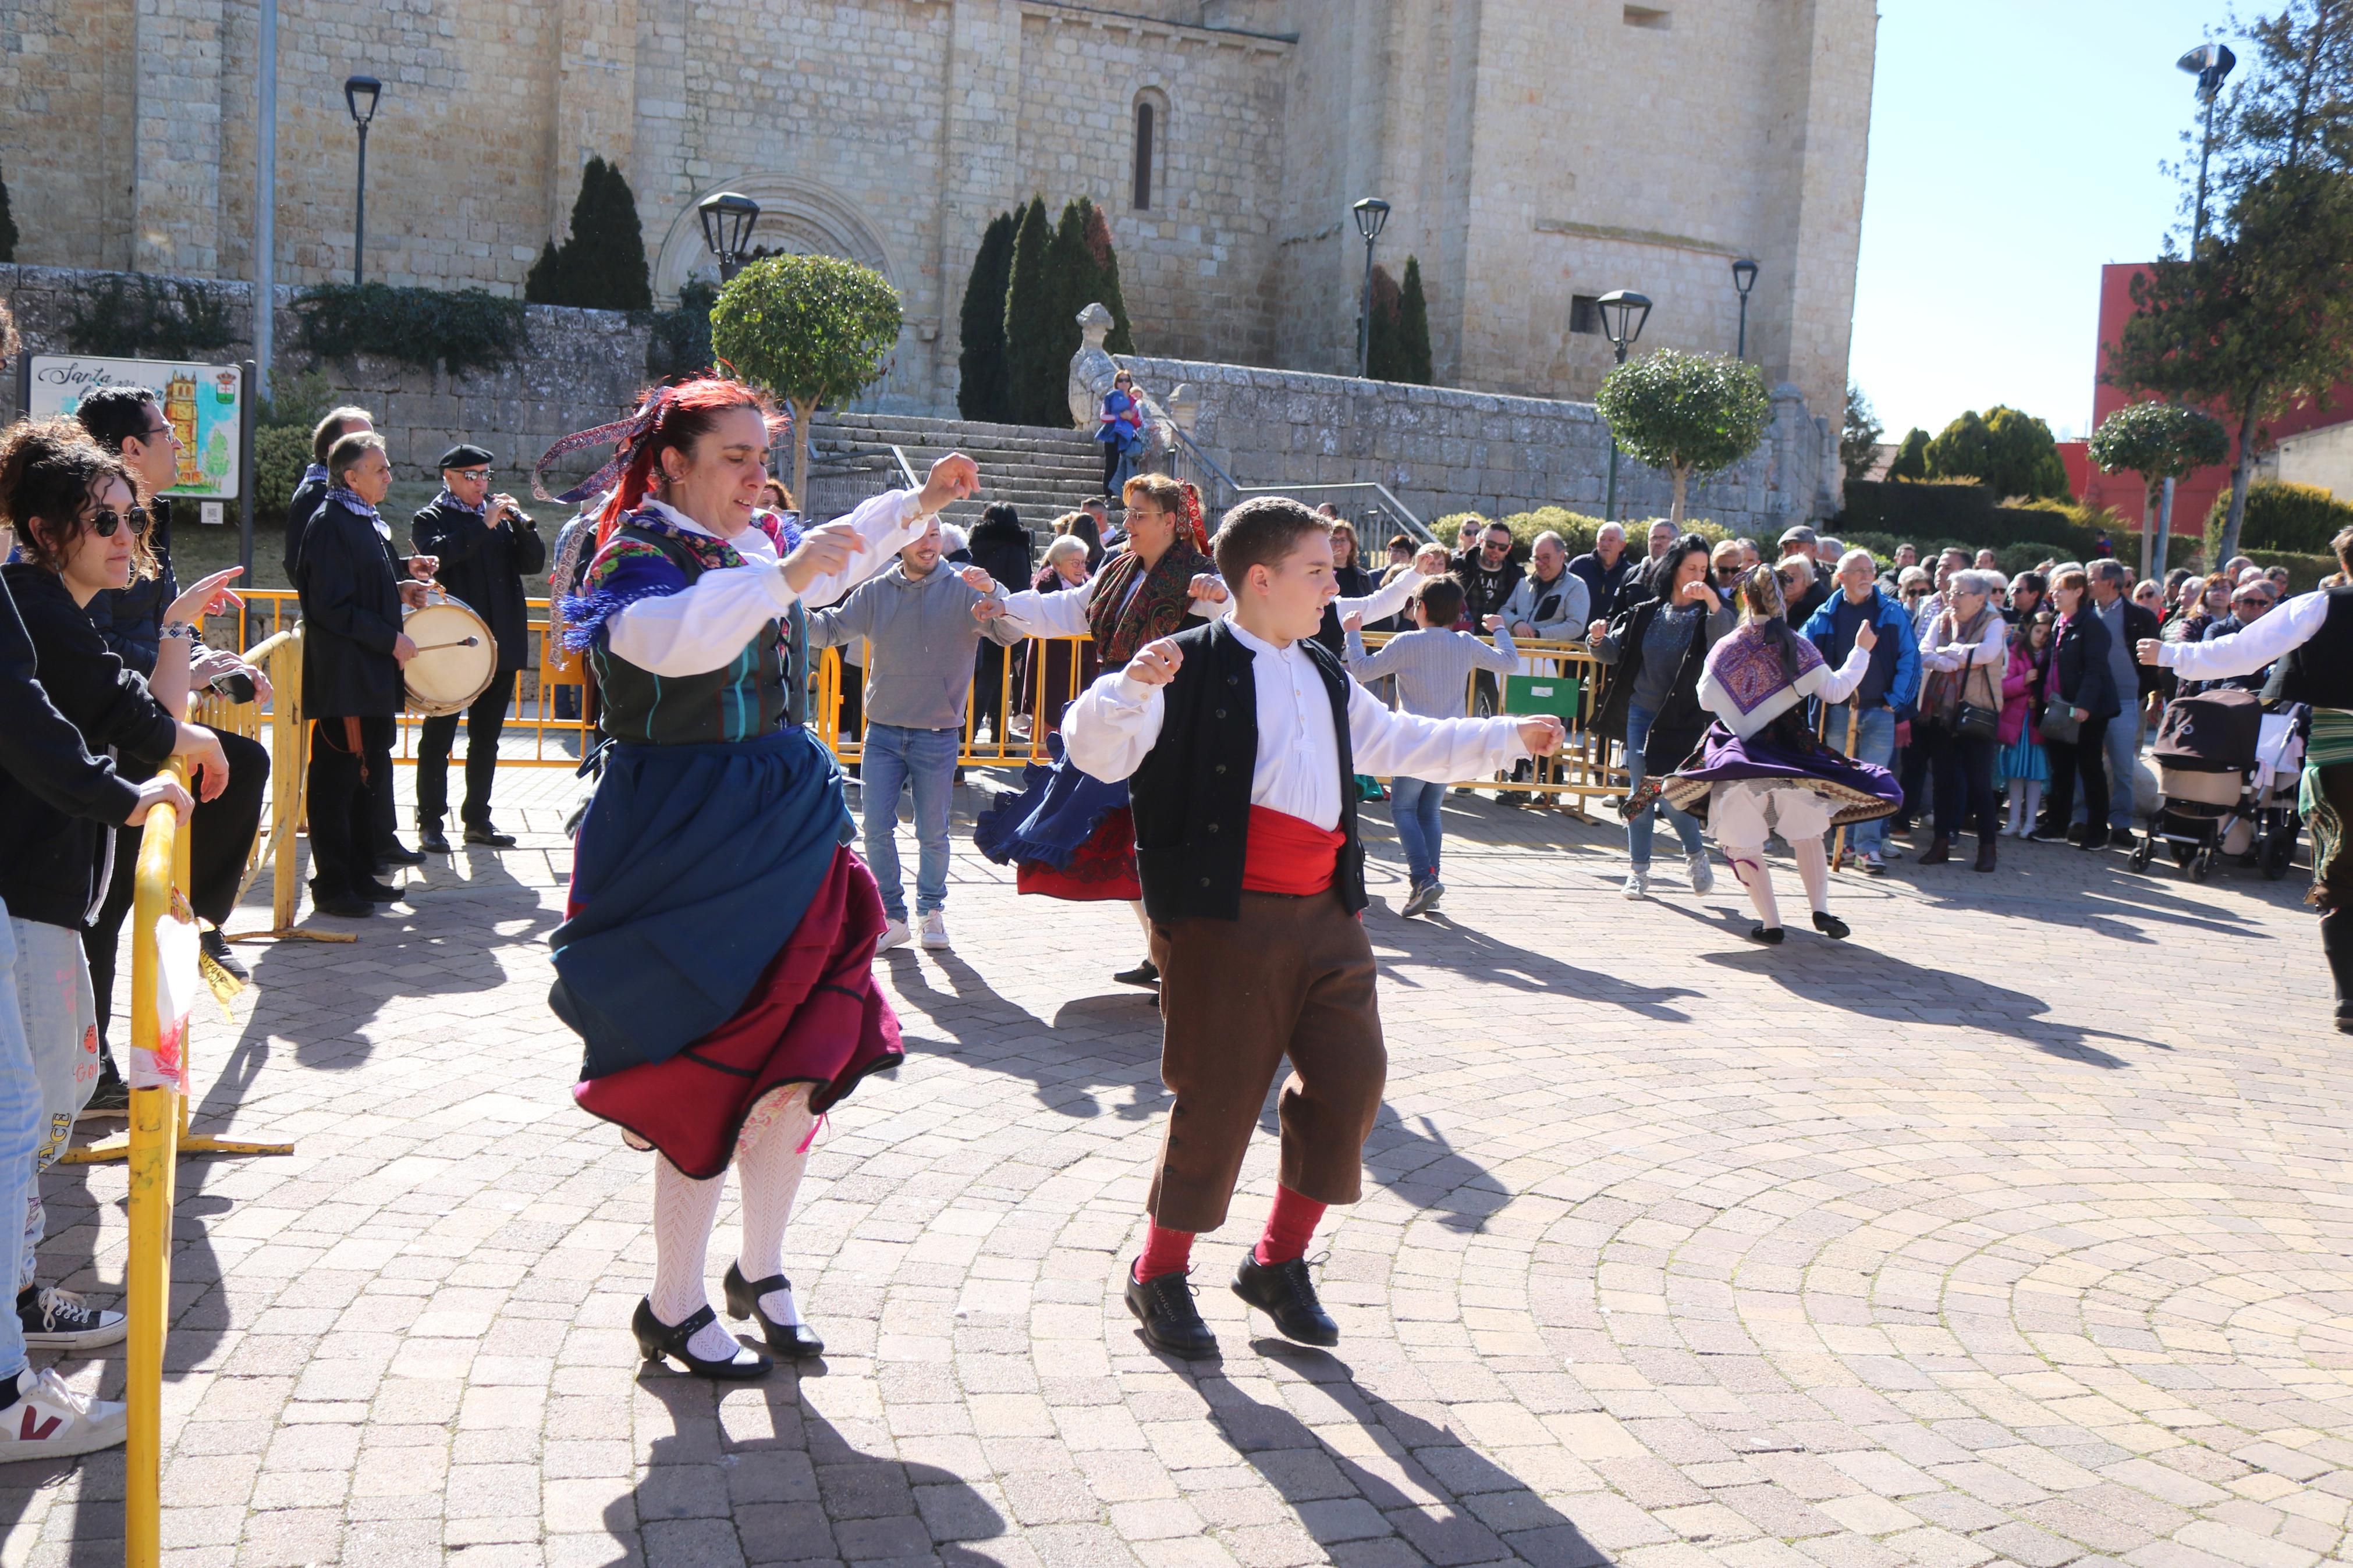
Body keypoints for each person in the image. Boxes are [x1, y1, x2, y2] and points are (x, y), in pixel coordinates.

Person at [545, 376, 978, 1378]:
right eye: (735, 457)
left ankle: (762, 1269)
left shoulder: (755, 546)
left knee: (798, 1066)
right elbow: (674, 641)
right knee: (705, 1070)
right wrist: (786, 579)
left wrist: (917, 509)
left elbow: (828, 563)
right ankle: (674, 1298)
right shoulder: (634, 556)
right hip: (682, 832)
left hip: (781, 819)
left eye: (761, 456)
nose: (757, 476)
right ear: (672, 465)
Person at [1062, 496, 1561, 1357]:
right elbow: (1092, 749)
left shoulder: (1325, 670)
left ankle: (1275, 1261)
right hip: (1224, 916)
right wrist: (1125, 687)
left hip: (1328, 910)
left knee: (1352, 1081)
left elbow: (1396, 738)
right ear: (1260, 578)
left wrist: (1504, 735)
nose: (1336, 586)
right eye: (1318, 571)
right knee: (1218, 1099)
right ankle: (1157, 1270)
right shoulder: (1182, 662)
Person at [0, 418, 238, 1391]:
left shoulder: (49, 603)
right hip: (24, 894)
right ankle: (13, 1338)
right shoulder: (32, 600)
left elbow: (118, 713)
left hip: (42, 892)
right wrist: (144, 781)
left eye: (130, 517)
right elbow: (92, 722)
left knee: (42, 1106)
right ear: (50, 526)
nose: (124, 535)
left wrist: (175, 739)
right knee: (30, 1112)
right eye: (104, 518)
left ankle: (18, 1301)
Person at [72, 385, 273, 1111]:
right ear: (130, 448)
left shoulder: (142, 519)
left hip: (137, 719)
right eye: (165, 431)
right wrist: (183, 666)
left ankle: (201, 917)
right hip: (105, 738)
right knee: (97, 907)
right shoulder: (100, 521)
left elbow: (156, 633)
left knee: (240, 766)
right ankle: (85, 1068)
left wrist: (205, 662)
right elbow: (105, 648)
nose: (179, 443)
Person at [975, 474, 1227, 987]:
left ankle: (1186, 958)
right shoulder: (1118, 569)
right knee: (1121, 843)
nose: (1127, 523)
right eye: (1128, 512)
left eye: (1139, 514)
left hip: (1172, 728)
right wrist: (1005, 603)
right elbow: (1069, 608)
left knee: (1156, 843)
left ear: (1171, 523)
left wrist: (1219, 599)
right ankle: (1162, 956)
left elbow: (1235, 629)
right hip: (1114, 717)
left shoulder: (1201, 576)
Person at [2138, 528, 2353, 1029]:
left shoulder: (2320, 605)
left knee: (2341, 876)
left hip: (2338, 758)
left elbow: (2242, 651)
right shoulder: (2319, 605)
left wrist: (2172, 656)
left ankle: (2348, 998)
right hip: (2339, 753)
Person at [1648, 564, 1897, 943]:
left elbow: (1705, 697)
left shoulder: (1728, 645)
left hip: (1739, 759)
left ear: (1744, 598)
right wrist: (1860, 652)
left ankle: (1771, 924)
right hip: (1791, 756)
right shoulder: (1796, 644)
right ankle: (1821, 909)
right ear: (1781, 599)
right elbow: (1836, 690)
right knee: (1807, 832)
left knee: (1739, 840)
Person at [806, 518, 1023, 951]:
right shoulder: (876, 591)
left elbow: (1010, 633)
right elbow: (829, 628)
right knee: (875, 830)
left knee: (933, 830)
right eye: (918, 535)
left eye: (934, 535)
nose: (928, 544)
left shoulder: (965, 588)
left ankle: (932, 912)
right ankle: (893, 915)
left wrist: (996, 594)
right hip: (882, 732)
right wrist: (777, 602)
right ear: (898, 542)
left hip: (938, 734)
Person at [296, 432, 430, 917]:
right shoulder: (332, 522)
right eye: (380, 469)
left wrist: (401, 589)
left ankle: (357, 875)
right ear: (351, 476)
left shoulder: (360, 521)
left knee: (362, 780)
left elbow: (360, 588)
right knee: (337, 784)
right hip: (345, 680)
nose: (389, 475)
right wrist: (390, 638)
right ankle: (332, 886)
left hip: (365, 677)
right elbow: (330, 607)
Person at [1342, 577, 1522, 915]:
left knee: (1404, 810)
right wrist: (1499, 629)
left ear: (1420, 608)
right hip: (1452, 739)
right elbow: (1509, 663)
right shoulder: (1465, 642)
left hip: (1413, 739)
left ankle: (1423, 879)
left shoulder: (1406, 641)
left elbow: (1363, 672)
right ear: (1456, 612)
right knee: (1429, 812)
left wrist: (1353, 631)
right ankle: (1430, 884)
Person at [408, 445, 544, 852]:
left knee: (486, 738)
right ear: (448, 476)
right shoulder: (430, 518)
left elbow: (534, 563)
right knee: (439, 735)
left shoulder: (500, 520)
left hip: (499, 642)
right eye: (472, 475)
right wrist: (483, 525)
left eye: (486, 474)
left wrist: (522, 526)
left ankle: (477, 820)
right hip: (451, 645)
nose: (481, 482)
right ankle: (430, 820)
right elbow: (440, 556)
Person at [1589, 534, 1735, 899]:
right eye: (1691, 568)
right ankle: (1639, 872)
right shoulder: (1646, 611)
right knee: (1642, 792)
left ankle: (1695, 854)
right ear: (1674, 569)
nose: (1699, 576)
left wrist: (1714, 601)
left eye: (1704, 570)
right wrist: (1596, 640)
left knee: (1671, 793)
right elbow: (1612, 653)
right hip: (1642, 713)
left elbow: (1725, 638)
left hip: (1683, 720)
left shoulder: (1710, 613)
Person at [1801, 548, 1919, 874]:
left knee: (1871, 782)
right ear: (1841, 578)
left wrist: (1895, 701)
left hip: (1880, 711)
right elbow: (1804, 653)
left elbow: (1911, 659)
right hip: (1838, 711)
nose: (1868, 576)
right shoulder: (1825, 614)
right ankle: (1844, 845)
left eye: (1871, 570)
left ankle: (1868, 849)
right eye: (1859, 571)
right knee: (1840, 780)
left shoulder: (1892, 612)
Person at [1912, 568, 2010, 871]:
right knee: (1943, 780)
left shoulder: (1994, 623)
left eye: (1958, 593)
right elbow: (1923, 652)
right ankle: (1941, 843)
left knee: (1980, 783)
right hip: (1942, 711)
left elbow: (1987, 653)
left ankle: (1987, 848)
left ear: (1980, 599)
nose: (1951, 598)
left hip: (1976, 712)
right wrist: (1945, 661)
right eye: (1951, 592)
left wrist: (1951, 651)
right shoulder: (1942, 619)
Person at [2030, 567, 2119, 849]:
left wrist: (2084, 705)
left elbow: (2095, 669)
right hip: (2059, 707)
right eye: (2054, 589)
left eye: (2060, 589)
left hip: (2087, 712)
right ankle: (2057, 825)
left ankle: (2097, 832)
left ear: (2078, 592)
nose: (2054, 594)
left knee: (2090, 769)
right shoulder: (2060, 622)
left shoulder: (2092, 625)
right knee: (2061, 769)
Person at [2084, 559, 2160, 846]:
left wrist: (2146, 693)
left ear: (2110, 583)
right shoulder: (2083, 614)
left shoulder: (2140, 617)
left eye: (2092, 579)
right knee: (2087, 763)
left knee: (2123, 766)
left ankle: (2121, 824)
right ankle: (2082, 819)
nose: (2087, 583)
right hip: (2088, 700)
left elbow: (2152, 663)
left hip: (2126, 701)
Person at [1017, 534, 1100, 736]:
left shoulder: (1089, 588)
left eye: (1083, 562)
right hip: (1050, 667)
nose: (1081, 568)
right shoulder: (1045, 587)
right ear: (1058, 564)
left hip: (1081, 666)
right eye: (1075, 563)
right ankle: (1041, 766)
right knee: (1047, 722)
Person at [282, 404, 374, 584]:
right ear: (334, 450)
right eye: (362, 442)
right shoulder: (315, 496)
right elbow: (300, 567)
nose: (373, 449)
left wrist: (404, 567)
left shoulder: (350, 496)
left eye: (372, 441)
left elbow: (360, 559)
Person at [964, 502, 1032, 742]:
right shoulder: (1016, 548)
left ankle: (999, 734)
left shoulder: (975, 545)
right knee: (992, 675)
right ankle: (967, 737)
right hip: (1004, 614)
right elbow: (1021, 587)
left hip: (975, 613)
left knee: (989, 676)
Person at [2000, 613, 2053, 836]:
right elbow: (2003, 686)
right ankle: (2013, 821)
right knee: (2015, 773)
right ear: (2030, 630)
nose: (2041, 637)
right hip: (2016, 723)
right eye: (2038, 631)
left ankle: (2030, 822)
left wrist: (2039, 701)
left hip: (2036, 724)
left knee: (2035, 775)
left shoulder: (2051, 657)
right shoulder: (2016, 653)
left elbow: (2054, 687)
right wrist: (2024, 681)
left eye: (2046, 633)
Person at [1489, 531, 1589, 642]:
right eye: (1537, 559)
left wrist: (1538, 636)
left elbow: (1576, 626)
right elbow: (1503, 611)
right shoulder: (1523, 584)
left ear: (1561, 556)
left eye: (1546, 558)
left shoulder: (1576, 586)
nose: (1540, 563)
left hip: (1553, 657)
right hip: (1519, 655)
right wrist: (1516, 624)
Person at [1451, 521, 1522, 632]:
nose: (1495, 551)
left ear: (1508, 549)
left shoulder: (1517, 575)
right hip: (1462, 639)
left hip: (1498, 641)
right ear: (1481, 542)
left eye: (1502, 547)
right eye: (1491, 545)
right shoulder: (1458, 566)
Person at [1094, 369, 1147, 496]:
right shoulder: (1110, 398)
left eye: (1126, 380)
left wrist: (1130, 418)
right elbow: (1103, 417)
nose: (1124, 383)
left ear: (1130, 383)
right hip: (1112, 436)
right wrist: (1120, 417)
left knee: (1128, 468)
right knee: (1111, 466)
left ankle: (1127, 498)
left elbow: (1139, 423)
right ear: (1116, 383)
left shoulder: (1135, 402)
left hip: (1128, 438)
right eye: (1121, 380)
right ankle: (1108, 497)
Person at [1568, 521, 1634, 620]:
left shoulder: (1631, 574)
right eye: (1602, 539)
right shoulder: (1579, 566)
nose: (1605, 544)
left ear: (1622, 546)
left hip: (1612, 633)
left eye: (1611, 540)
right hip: (1579, 631)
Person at [1329, 520, 1374, 599]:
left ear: (1352, 545)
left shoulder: (1362, 577)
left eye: (1343, 540)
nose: (1338, 545)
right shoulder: (1317, 574)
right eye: (1333, 539)